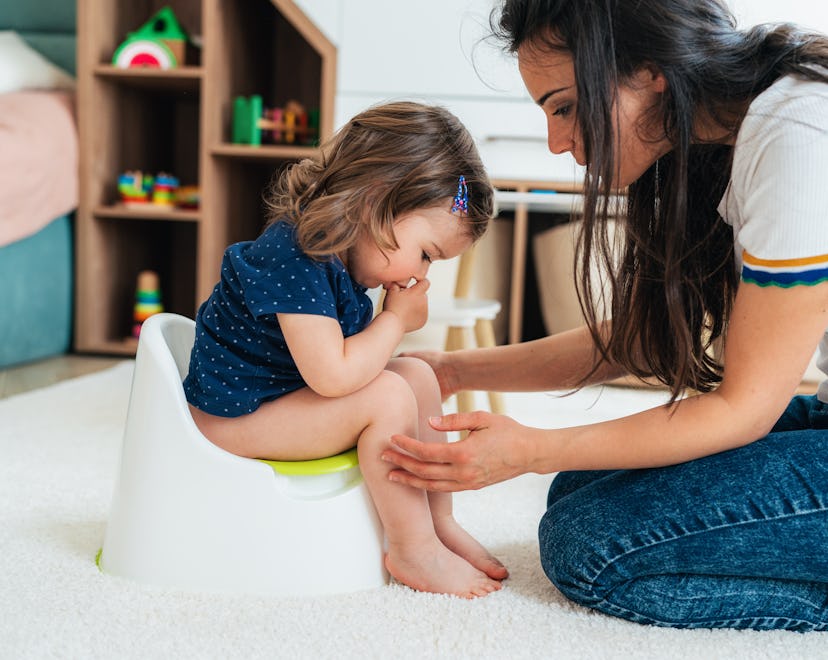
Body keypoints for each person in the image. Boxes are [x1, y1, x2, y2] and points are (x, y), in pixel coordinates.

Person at [381, 0, 828, 631]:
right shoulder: (725, 139)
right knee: (579, 488)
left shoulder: (801, 136)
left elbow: (743, 409)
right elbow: (639, 342)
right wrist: (449, 370)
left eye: (564, 106)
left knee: (592, 549)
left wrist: (531, 449)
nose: (557, 140)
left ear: (652, 71)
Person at [183, 101, 508, 598]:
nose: (422, 275)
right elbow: (333, 377)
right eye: (425, 253)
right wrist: (394, 320)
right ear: (376, 199)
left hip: (282, 399)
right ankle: (412, 549)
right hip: (233, 420)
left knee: (417, 376)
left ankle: (438, 522)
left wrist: (393, 328)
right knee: (388, 398)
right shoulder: (295, 252)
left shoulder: (343, 258)